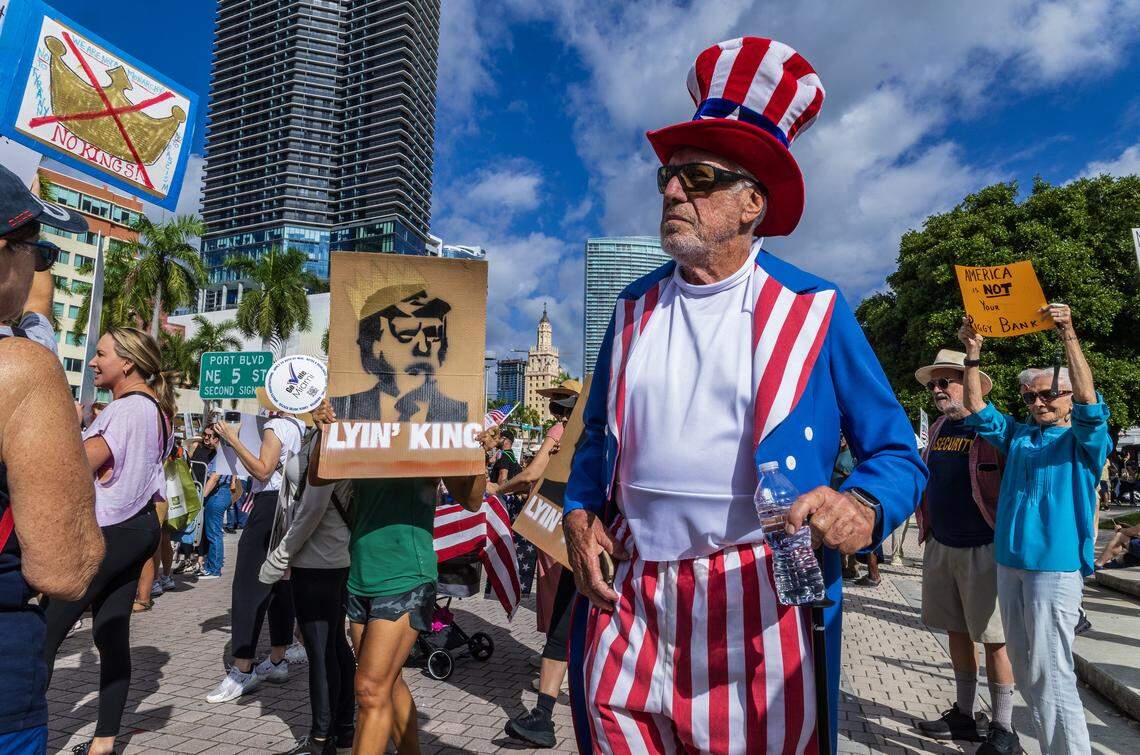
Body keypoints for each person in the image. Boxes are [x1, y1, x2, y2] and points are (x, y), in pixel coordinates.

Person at [562, 37, 927, 753]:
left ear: (752, 202)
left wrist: (861, 504)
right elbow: (598, 438)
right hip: (629, 599)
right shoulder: (631, 309)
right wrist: (578, 512)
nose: (671, 191)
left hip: (757, 602)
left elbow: (896, 451)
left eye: (697, 177)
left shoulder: (815, 308)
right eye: (669, 176)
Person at [959, 304, 1111, 754]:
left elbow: (1088, 401)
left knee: (1052, 672)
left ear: (1065, 398)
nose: (1039, 402)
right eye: (1031, 397)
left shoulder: (1085, 439)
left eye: (1048, 395)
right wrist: (972, 353)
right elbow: (976, 405)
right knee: (1027, 671)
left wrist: (1068, 333)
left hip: (1055, 567)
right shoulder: (1020, 435)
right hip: (1011, 563)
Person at [308, 402, 486, 754]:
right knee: (388, 684)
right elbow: (318, 476)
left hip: (407, 574)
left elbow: (471, 499)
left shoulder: (432, 427)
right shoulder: (359, 415)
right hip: (361, 574)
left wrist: (474, 452)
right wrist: (324, 431)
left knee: (369, 691)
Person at [0, 164, 104, 754]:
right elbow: (64, 568)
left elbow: (30, 299)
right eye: (33, 249)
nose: (39, 261)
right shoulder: (20, 370)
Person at [43, 328, 175, 755]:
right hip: (138, 529)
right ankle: (103, 743)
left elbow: (77, 466)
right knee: (109, 633)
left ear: (128, 364)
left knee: (41, 636)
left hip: (107, 531)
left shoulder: (124, 409)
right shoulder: (157, 408)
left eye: (100, 354)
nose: (94, 361)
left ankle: (19, 737)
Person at [911, 349, 1018, 753]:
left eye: (946, 382)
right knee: (956, 630)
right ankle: (964, 713)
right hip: (941, 543)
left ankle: (1004, 726)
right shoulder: (938, 428)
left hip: (984, 547)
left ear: (969, 382)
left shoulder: (994, 429)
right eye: (934, 384)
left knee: (995, 639)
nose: (937, 390)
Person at [260, 401, 355, 755]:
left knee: (320, 649)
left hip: (317, 559)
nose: (317, 406)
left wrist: (281, 553)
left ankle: (320, 739)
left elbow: (313, 506)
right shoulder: (327, 437)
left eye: (323, 399)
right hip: (336, 555)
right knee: (335, 647)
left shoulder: (327, 440)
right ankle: (343, 733)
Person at [499, 388, 581, 749]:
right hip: (572, 545)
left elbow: (531, 472)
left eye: (564, 413)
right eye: (557, 414)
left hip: (602, 546)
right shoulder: (575, 438)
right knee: (561, 631)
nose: (559, 419)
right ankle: (543, 715)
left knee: (576, 631)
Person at [206, 405, 305, 702]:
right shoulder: (300, 427)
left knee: (248, 587)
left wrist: (232, 438)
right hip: (289, 505)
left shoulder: (276, 427)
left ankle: (243, 669)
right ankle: (277, 660)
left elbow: (263, 468)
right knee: (279, 585)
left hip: (269, 506)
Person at [331, 286, 466, 421]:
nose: (424, 348)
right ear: (375, 342)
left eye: (432, 335)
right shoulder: (340, 409)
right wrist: (321, 430)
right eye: (407, 334)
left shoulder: (461, 415)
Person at [197, 427, 233, 578]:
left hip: (218, 494)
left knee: (214, 533)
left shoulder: (221, 455)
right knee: (214, 532)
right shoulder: (222, 453)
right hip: (220, 494)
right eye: (204, 434)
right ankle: (212, 566)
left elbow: (214, 478)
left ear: (217, 439)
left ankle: (214, 569)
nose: (206, 438)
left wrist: (202, 497)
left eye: (209, 436)